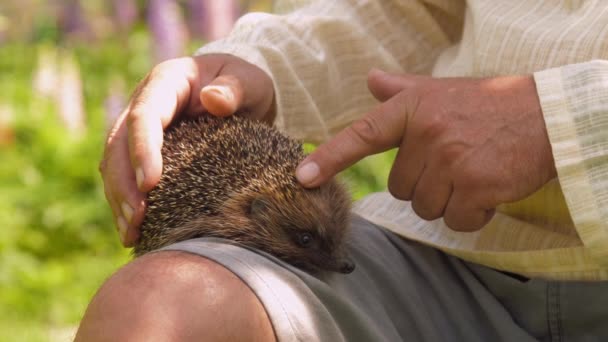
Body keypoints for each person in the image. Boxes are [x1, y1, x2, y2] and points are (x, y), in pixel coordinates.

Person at [77, 0, 608, 340]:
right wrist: (261, 66)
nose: (336, 261)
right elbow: (416, 12)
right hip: (449, 257)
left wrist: (567, 119)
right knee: (158, 307)